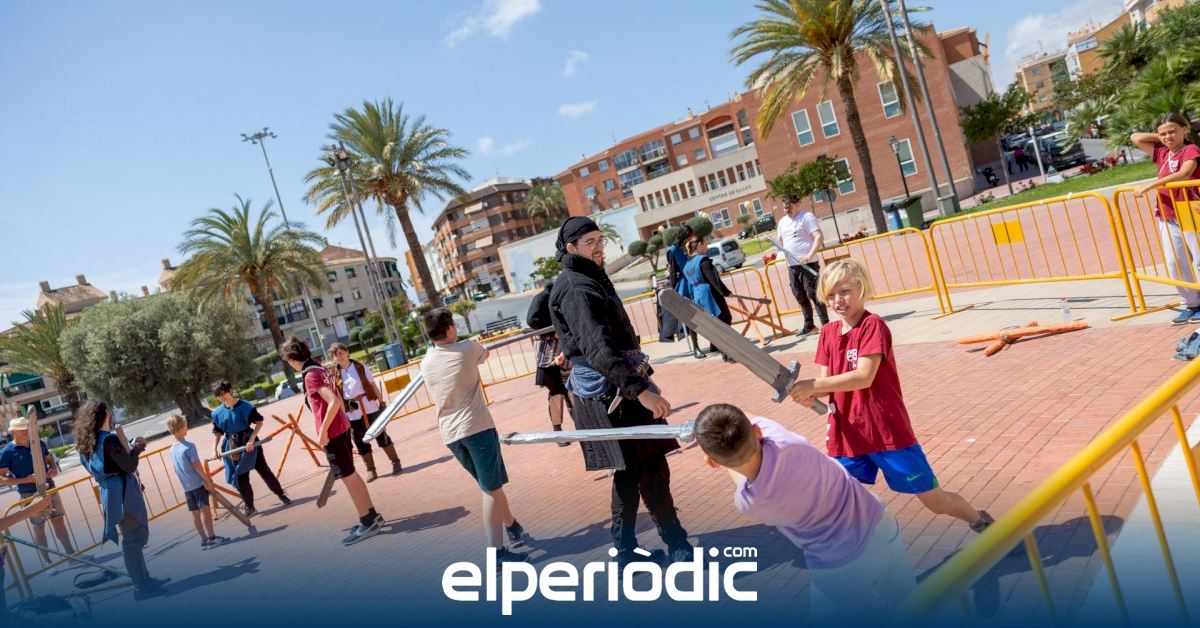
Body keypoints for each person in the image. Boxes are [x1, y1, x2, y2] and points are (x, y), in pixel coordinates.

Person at [790, 259, 995, 534]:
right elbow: (826, 384)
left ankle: (981, 522)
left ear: (862, 289)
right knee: (837, 496)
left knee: (935, 501)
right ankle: (864, 546)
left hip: (886, 431)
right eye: (831, 294)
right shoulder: (827, 333)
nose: (838, 300)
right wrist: (809, 393)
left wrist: (814, 385)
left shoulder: (872, 326)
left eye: (845, 291)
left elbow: (864, 376)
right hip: (847, 434)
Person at [549, 216, 694, 566]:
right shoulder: (575, 286)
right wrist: (640, 391)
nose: (599, 247)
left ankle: (629, 551)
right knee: (645, 469)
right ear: (571, 248)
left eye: (600, 240)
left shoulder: (588, 276)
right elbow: (597, 347)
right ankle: (672, 545)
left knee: (632, 471)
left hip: (614, 387)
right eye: (590, 242)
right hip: (610, 394)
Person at [695, 404, 914, 620]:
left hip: (839, 565)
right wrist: (719, 416)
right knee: (911, 605)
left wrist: (716, 449)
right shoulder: (779, 437)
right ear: (757, 431)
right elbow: (747, 416)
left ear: (712, 462)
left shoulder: (750, 501)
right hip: (879, 524)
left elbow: (740, 475)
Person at [420, 309, 529, 564]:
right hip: (476, 427)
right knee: (490, 489)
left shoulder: (425, 362)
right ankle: (497, 554)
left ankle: (512, 526)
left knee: (490, 485)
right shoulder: (467, 348)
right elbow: (485, 354)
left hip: (450, 434)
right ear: (449, 329)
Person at [280, 336, 384, 545]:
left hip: (334, 433)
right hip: (342, 427)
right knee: (351, 474)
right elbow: (337, 400)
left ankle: (367, 521)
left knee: (348, 477)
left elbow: (334, 401)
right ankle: (371, 515)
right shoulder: (320, 368)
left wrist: (323, 431)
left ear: (291, 360)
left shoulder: (311, 376)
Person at [73, 400, 170, 600]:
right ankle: (141, 587)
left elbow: (105, 465)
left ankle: (144, 580)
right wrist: (138, 448)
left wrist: (129, 448)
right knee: (133, 540)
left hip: (109, 493)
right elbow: (129, 465)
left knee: (131, 539)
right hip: (124, 493)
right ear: (105, 414)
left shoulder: (86, 444)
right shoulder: (109, 440)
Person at [1132, 112, 1200, 325]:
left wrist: (1151, 185)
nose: (1168, 136)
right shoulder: (1161, 151)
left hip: (1190, 211)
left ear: (1185, 130)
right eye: (1163, 133)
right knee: (1174, 262)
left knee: (1199, 260)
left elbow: (1184, 173)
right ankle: (1192, 303)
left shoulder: (1190, 149)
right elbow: (1136, 137)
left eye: (1173, 131)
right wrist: (1164, 137)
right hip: (1167, 213)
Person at [0, 414, 76, 564]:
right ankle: (47, 563)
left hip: (49, 487)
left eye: (26, 428)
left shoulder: (38, 443)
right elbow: (1, 478)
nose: (25, 431)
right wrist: (25, 479)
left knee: (58, 520)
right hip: (28, 493)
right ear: (12, 432)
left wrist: (53, 468)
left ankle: (72, 555)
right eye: (21, 429)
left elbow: (49, 459)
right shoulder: (7, 452)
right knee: (38, 527)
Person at [210, 380, 291, 517]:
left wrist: (252, 439)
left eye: (223, 393)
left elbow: (259, 422)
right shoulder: (217, 413)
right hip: (232, 446)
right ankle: (250, 506)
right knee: (239, 476)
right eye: (218, 395)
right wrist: (214, 449)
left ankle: (281, 495)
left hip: (249, 441)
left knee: (263, 469)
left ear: (230, 391)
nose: (221, 397)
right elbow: (218, 432)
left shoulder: (245, 406)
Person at [330, 343, 403, 480]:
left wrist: (381, 403)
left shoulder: (360, 367)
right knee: (360, 441)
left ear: (347, 352)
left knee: (381, 435)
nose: (339, 357)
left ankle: (395, 462)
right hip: (352, 412)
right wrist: (343, 414)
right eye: (335, 355)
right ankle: (371, 470)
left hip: (370, 406)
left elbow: (372, 384)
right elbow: (338, 396)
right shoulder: (335, 375)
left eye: (341, 353)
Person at [166, 414, 229, 550]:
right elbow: (196, 465)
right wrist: (207, 479)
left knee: (195, 513)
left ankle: (204, 540)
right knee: (206, 510)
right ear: (182, 428)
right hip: (197, 484)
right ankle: (212, 537)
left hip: (187, 487)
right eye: (185, 425)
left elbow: (176, 469)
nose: (186, 428)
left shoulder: (172, 449)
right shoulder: (189, 446)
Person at [776, 194, 829, 336]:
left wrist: (809, 255)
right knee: (799, 295)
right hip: (792, 265)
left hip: (808, 263)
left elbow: (819, 237)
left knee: (813, 293)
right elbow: (782, 241)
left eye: (790, 207)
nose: (787, 210)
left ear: (798, 204)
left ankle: (826, 325)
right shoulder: (782, 222)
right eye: (785, 208)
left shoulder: (806, 217)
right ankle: (809, 326)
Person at [527, 282, 571, 447]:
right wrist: (553, 331)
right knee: (556, 394)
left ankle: (582, 428)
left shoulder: (555, 297)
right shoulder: (543, 298)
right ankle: (558, 433)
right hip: (548, 357)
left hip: (562, 353)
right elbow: (532, 320)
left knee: (570, 392)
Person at [682, 238, 734, 362]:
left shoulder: (687, 264)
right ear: (699, 245)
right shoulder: (703, 261)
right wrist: (726, 292)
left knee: (713, 323)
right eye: (705, 244)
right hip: (710, 293)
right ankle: (726, 352)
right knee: (724, 319)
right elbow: (714, 279)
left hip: (698, 294)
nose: (707, 246)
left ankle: (718, 347)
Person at [662, 225, 704, 358]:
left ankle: (715, 344)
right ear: (686, 234)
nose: (692, 237)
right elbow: (673, 272)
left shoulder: (690, 245)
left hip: (697, 281)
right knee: (691, 318)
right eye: (691, 234)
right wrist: (674, 289)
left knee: (707, 314)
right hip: (685, 285)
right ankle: (696, 348)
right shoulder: (673, 250)